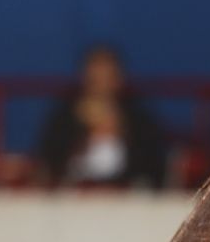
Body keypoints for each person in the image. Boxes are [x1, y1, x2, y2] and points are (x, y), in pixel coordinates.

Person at [36, 45, 166, 189]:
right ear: (84, 78)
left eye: (108, 77)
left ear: (119, 79)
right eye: (95, 79)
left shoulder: (137, 118)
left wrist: (122, 132)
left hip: (125, 195)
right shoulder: (65, 117)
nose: (102, 86)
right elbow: (49, 160)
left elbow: (153, 164)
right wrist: (84, 137)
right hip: (74, 196)